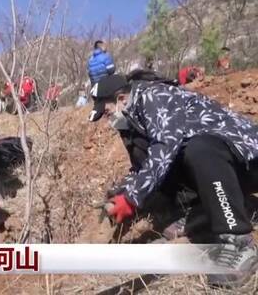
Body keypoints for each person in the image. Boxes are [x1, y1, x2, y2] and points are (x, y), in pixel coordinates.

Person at [89, 74, 258, 287]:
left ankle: (238, 241)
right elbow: (143, 166)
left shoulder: (155, 96)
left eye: (106, 112)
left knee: (198, 149)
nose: (108, 120)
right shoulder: (131, 122)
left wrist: (132, 198)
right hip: (219, 170)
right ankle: (200, 210)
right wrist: (122, 192)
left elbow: (165, 146)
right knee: (150, 155)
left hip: (247, 162)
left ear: (122, 98)